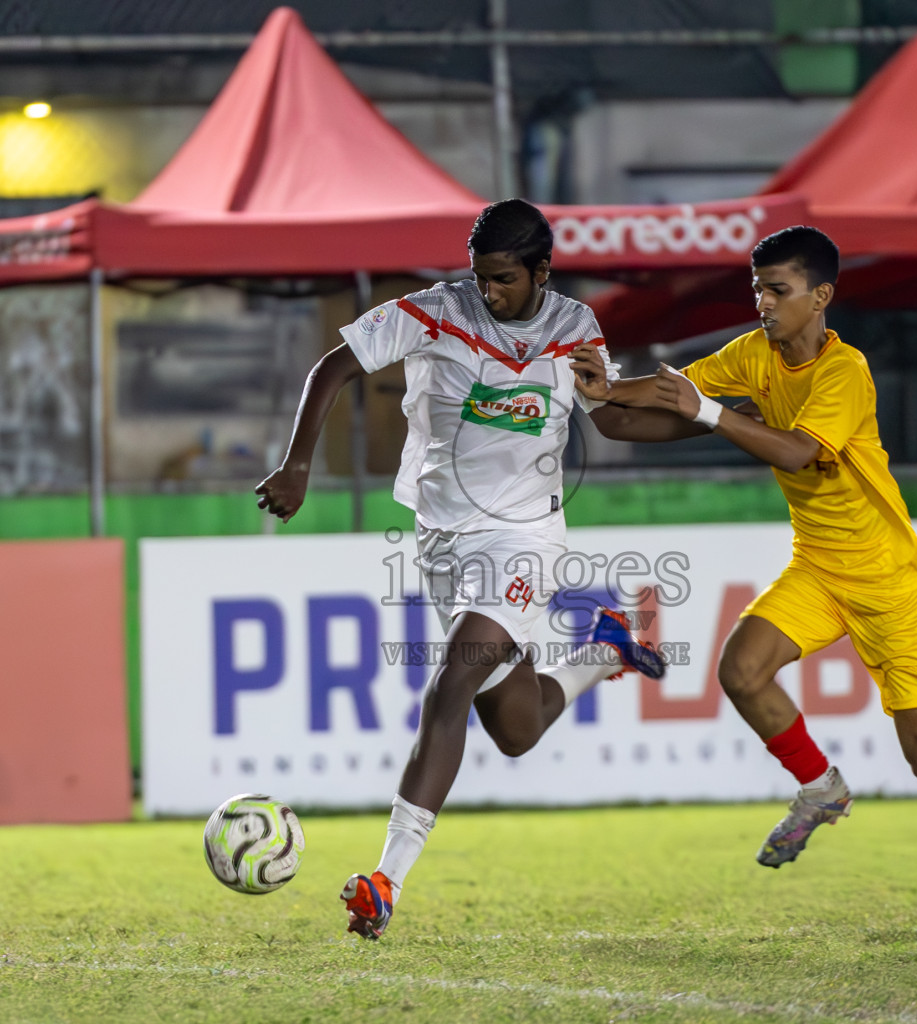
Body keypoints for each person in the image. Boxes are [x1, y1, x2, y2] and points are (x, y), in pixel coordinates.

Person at [569, 226, 917, 923]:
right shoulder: (753, 355)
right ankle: (821, 788)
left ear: (821, 296)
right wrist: (598, 393)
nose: (763, 301)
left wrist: (704, 414)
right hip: (819, 568)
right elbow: (659, 401)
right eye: (757, 288)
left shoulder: (844, 371)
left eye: (778, 290)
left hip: (888, 581)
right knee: (741, 669)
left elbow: (793, 453)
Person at [254, 199, 663, 940]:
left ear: (542, 271)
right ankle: (606, 649)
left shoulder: (576, 328)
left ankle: (385, 881)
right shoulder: (433, 312)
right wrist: (296, 464)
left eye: (503, 279)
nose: (489, 292)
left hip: (527, 540)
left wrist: (706, 417)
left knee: (450, 681)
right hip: (443, 542)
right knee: (516, 730)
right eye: (479, 276)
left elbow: (609, 415)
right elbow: (334, 366)